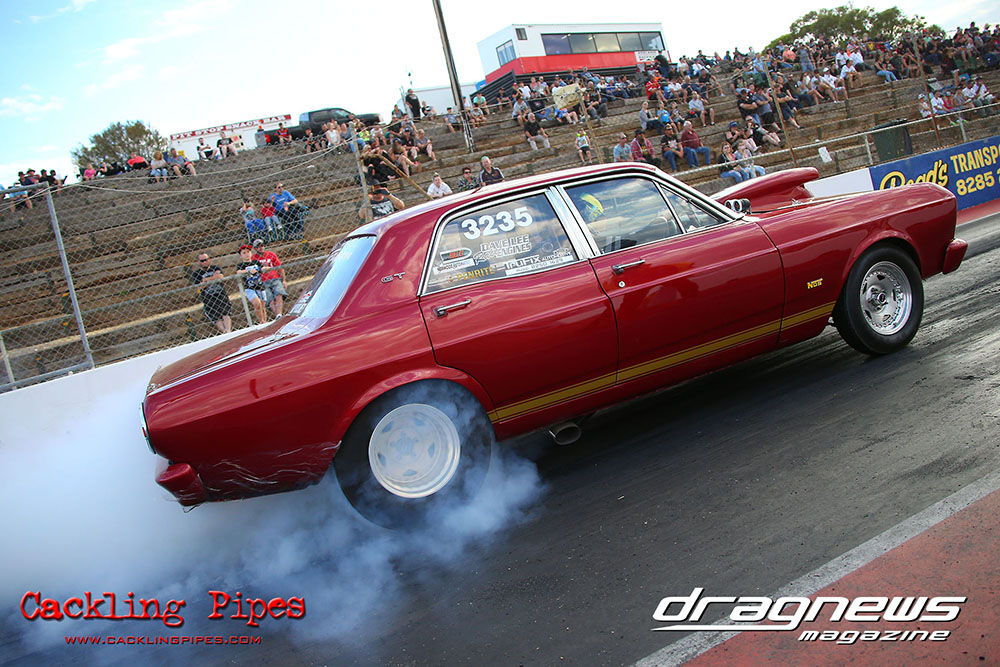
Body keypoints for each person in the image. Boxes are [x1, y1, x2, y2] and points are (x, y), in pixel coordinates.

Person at [193, 252, 233, 333]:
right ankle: (224, 332)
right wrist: (214, 278)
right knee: (216, 317)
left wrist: (206, 280)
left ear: (209, 259)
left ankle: (228, 330)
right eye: (202, 261)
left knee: (226, 313)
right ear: (199, 262)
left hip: (220, 294)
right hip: (208, 297)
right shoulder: (197, 273)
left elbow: (221, 277)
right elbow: (199, 286)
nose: (205, 262)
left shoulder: (215, 267)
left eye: (206, 260)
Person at [251, 239, 288, 318]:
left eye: (262, 245)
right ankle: (277, 316)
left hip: (275, 278)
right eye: (258, 247)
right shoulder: (253, 258)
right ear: (254, 249)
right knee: (269, 299)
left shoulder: (271, 254)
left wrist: (284, 280)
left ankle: (279, 314)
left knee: (279, 294)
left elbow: (279, 267)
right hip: (262, 281)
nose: (260, 248)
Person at [235, 244, 268, 324]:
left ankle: (264, 321)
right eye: (244, 253)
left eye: (248, 252)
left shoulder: (256, 262)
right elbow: (238, 272)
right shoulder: (241, 265)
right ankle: (261, 321)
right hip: (250, 287)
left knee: (262, 306)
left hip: (260, 286)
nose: (247, 254)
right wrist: (248, 271)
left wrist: (265, 268)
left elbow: (262, 268)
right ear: (240, 256)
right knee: (257, 304)